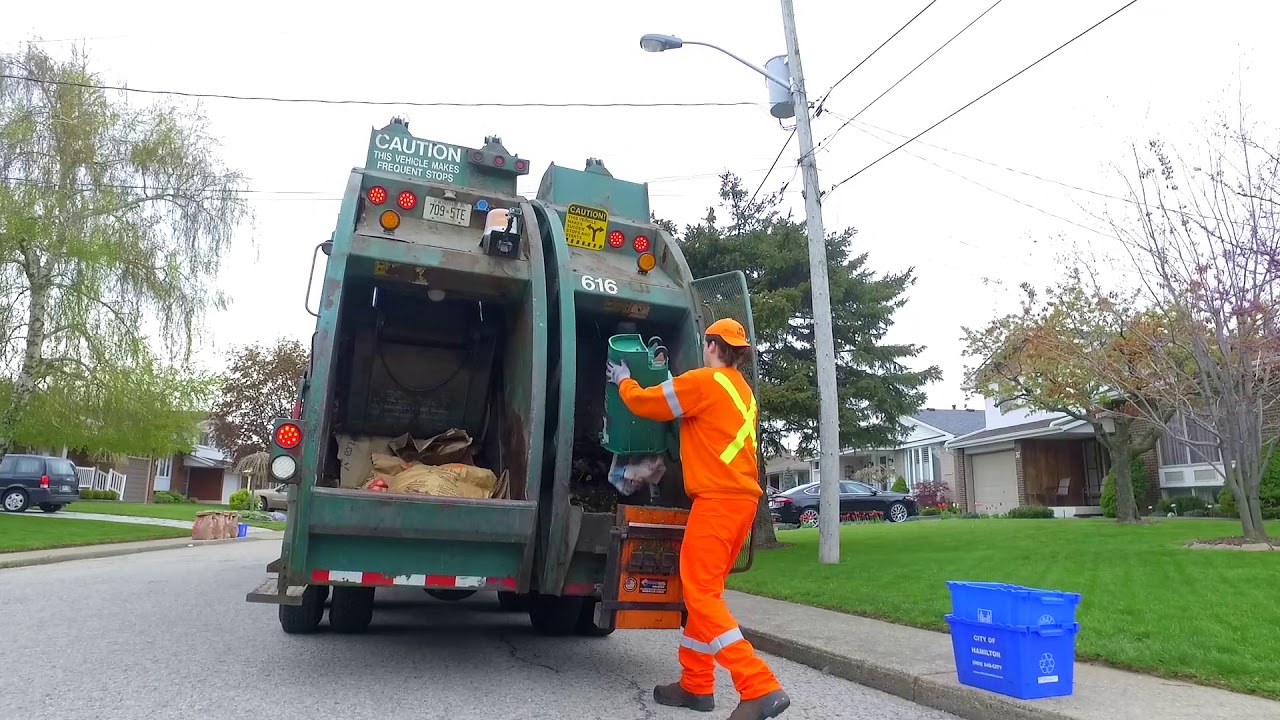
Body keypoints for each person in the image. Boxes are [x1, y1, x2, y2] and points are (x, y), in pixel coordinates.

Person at [606, 318, 790, 720]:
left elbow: (648, 403)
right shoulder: (742, 392)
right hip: (742, 504)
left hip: (717, 502)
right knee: (704, 593)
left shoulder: (703, 382)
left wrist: (623, 379)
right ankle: (695, 683)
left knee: (701, 595)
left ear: (711, 345)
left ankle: (759, 686)